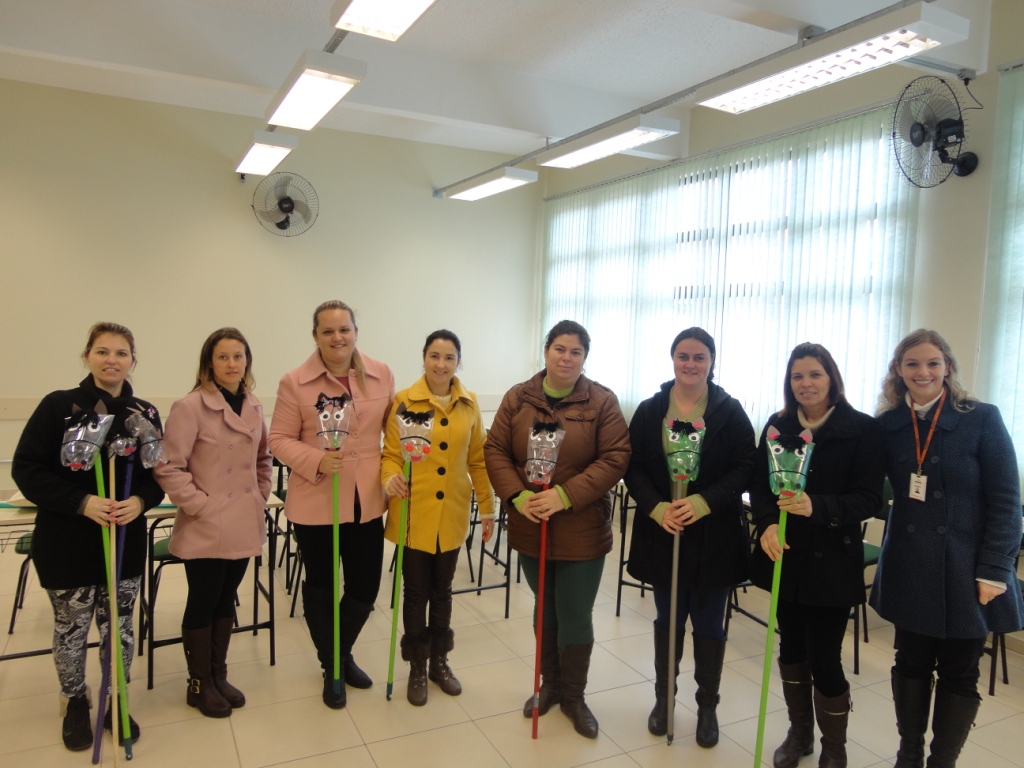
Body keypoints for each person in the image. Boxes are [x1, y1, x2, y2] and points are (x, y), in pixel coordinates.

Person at [871, 329, 1024, 768]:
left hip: (968, 570)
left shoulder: (982, 418)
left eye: (933, 363)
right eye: (913, 364)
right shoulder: (889, 425)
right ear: (898, 372)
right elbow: (856, 478)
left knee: (960, 672)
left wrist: (995, 568)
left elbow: (1006, 500)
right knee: (911, 663)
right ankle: (910, 752)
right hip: (910, 567)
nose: (924, 372)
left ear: (948, 367)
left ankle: (943, 760)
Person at [12, 322, 165, 751]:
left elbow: (157, 476)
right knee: (72, 629)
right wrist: (82, 502)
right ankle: (76, 701)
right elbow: (27, 469)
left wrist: (141, 502)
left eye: (121, 353)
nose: (111, 360)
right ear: (87, 356)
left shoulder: (145, 414)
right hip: (67, 541)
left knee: (119, 629)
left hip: (124, 541)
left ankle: (116, 698)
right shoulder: (58, 406)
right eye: (102, 351)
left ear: (133, 360)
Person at [484, 319, 630, 738]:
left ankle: (575, 696)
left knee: (574, 611)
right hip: (532, 523)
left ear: (585, 357)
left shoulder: (601, 401)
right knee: (544, 607)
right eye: (559, 349)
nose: (566, 358)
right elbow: (494, 449)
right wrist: (517, 496)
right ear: (546, 350)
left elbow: (616, 457)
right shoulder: (519, 397)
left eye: (576, 352)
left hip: (582, 526)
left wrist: (565, 495)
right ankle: (550, 686)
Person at [750, 342, 885, 768]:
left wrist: (817, 506)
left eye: (814, 375)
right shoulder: (777, 425)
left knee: (825, 656)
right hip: (786, 555)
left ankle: (834, 748)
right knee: (790, 646)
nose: (805, 384)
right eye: (797, 376)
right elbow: (760, 486)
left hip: (832, 559)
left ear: (832, 378)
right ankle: (800, 734)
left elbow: (867, 499)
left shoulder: (862, 429)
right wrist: (767, 523)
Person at [624, 327, 755, 747]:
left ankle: (707, 707)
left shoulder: (729, 411)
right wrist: (657, 507)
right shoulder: (650, 410)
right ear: (672, 360)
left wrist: (703, 502)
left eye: (699, 357)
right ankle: (664, 700)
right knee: (668, 619)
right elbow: (634, 468)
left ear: (712, 362)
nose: (691, 364)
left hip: (713, 535)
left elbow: (744, 467)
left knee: (709, 623)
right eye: (683, 356)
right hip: (665, 531)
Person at [268, 300, 395, 709]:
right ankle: (332, 667)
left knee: (364, 587)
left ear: (356, 331)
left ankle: (339, 653)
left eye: (344, 329)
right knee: (322, 587)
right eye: (328, 331)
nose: (337, 338)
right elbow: (279, 440)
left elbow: (392, 432)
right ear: (315, 336)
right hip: (317, 500)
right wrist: (317, 459)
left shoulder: (382, 375)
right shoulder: (295, 382)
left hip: (366, 500)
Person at [154, 328, 273, 718]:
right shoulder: (190, 406)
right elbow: (168, 467)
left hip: (242, 520)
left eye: (239, 356)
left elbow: (262, 458)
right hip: (206, 524)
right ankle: (198, 683)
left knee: (226, 599)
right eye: (223, 357)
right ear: (209, 363)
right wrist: (200, 506)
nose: (232, 364)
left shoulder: (253, 405)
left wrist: (260, 492)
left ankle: (218, 675)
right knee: (203, 600)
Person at [381, 329, 495, 706]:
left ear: (458, 361)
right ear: (423, 358)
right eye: (434, 356)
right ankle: (416, 665)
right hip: (414, 513)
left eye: (449, 357)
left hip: (453, 514)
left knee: (443, 592)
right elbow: (390, 454)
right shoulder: (404, 401)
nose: (441, 364)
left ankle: (439, 661)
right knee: (414, 594)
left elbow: (477, 460)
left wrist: (488, 507)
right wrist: (390, 477)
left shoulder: (470, 403)